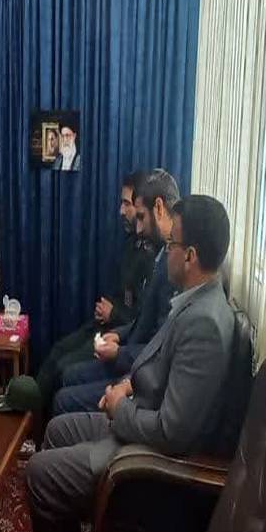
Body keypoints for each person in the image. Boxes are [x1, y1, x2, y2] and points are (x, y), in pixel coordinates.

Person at [25, 194, 236, 532]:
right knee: (57, 428)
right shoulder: (194, 300)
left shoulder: (205, 325)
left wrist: (121, 409)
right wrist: (126, 385)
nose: (166, 252)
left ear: (190, 256)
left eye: (172, 244)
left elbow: (173, 432)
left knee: (38, 473)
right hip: (135, 418)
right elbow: (156, 367)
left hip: (144, 458)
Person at [50, 168, 179, 415]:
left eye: (141, 217)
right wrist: (119, 336)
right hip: (131, 353)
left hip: (140, 372)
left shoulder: (174, 265)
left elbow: (160, 347)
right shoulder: (163, 254)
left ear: (159, 208)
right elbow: (144, 320)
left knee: (64, 398)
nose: (138, 229)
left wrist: (120, 353)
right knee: (67, 372)